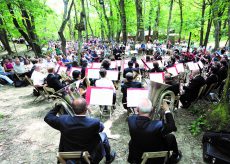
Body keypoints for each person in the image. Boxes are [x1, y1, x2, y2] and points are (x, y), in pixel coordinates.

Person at [44, 98, 116, 163]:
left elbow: (48, 117)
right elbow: (101, 128)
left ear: (72, 109)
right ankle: (108, 158)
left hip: (69, 152)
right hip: (89, 153)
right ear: (86, 109)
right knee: (104, 135)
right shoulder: (94, 122)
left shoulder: (63, 120)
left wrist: (58, 106)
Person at [127, 98, 182, 164]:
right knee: (171, 137)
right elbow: (173, 127)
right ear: (152, 110)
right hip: (154, 154)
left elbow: (137, 117)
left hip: (137, 152)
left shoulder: (130, 119)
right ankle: (175, 156)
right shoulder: (158, 125)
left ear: (138, 109)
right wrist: (167, 110)